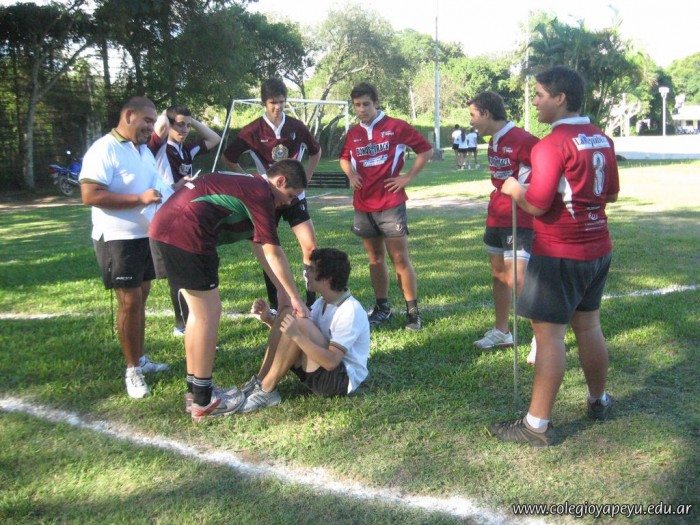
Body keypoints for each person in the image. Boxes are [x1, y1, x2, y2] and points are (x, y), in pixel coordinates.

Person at [492, 66, 619, 446]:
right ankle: (599, 400)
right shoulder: (601, 138)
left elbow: (536, 204)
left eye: (539, 94)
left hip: (560, 252)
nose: (534, 102)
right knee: (589, 326)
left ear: (560, 98)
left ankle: (537, 425)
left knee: (548, 337)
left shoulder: (551, 145)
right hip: (598, 247)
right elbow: (611, 194)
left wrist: (513, 189)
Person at [149, 159, 311, 422]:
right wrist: (295, 298)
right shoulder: (261, 194)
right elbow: (274, 252)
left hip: (166, 229)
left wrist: (282, 290)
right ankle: (204, 401)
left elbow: (259, 246)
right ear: (280, 181)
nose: (288, 203)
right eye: (290, 195)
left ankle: (196, 392)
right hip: (186, 234)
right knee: (208, 314)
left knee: (198, 314)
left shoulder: (250, 187)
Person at [80, 96, 169, 400]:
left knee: (140, 298)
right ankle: (132, 370)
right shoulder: (104, 149)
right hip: (117, 239)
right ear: (129, 115)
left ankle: (141, 359)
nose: (151, 127)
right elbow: (90, 195)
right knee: (129, 302)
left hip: (145, 235)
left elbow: (151, 187)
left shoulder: (143, 151)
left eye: (153, 122)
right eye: (147, 120)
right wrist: (138, 199)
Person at [339, 82, 433, 331]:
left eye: (366, 104)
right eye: (357, 105)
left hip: (391, 203)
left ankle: (413, 313)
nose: (362, 109)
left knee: (400, 258)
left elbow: (425, 150)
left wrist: (407, 177)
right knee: (375, 258)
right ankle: (382, 308)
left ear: (376, 103)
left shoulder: (396, 126)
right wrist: (351, 175)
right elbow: (344, 158)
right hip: (363, 204)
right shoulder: (353, 133)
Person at [222, 78, 322, 312]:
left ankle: (312, 301)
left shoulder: (296, 126)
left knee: (310, 247)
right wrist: (250, 181)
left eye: (281, 101)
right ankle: (278, 303)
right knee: (269, 252)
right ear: (263, 103)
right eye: (272, 102)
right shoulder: (252, 130)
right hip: (266, 200)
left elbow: (316, 152)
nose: (277, 107)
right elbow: (229, 158)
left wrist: (304, 179)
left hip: (294, 197)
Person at [238, 248, 370, 413]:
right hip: (319, 369)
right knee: (287, 313)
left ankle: (266, 390)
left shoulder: (350, 310)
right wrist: (268, 319)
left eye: (311, 269)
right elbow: (291, 335)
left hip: (338, 381)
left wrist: (297, 335)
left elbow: (331, 362)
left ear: (327, 278)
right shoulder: (322, 302)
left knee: (299, 322)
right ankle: (260, 381)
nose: (306, 273)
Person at [468, 91, 540, 365]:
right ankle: (502, 332)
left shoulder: (523, 140)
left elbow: (546, 172)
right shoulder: (493, 142)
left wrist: (524, 190)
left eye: (473, 115)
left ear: (486, 114)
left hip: (519, 219)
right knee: (499, 275)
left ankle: (541, 339)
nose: (471, 121)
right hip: (496, 216)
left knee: (519, 280)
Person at [148, 105, 222, 337]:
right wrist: (168, 116)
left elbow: (214, 139)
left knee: (187, 268)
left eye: (188, 126)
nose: (185, 130)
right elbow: (161, 126)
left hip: (184, 215)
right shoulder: (160, 147)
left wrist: (192, 120)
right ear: (169, 124)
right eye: (180, 125)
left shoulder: (186, 150)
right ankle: (181, 324)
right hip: (163, 215)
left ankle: (189, 320)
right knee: (176, 272)